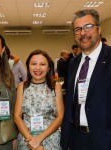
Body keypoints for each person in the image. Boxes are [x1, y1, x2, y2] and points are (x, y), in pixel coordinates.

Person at [61, 9, 111, 150]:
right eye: (77, 29)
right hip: (77, 139)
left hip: (105, 140)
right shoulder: (73, 63)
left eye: (88, 27)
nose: (83, 33)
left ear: (99, 29)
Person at [14, 49, 64, 150]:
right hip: (27, 140)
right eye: (34, 64)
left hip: (51, 140)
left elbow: (60, 117)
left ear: (49, 67)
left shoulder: (56, 86)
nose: (38, 68)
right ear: (28, 66)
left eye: (42, 64)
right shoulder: (21, 86)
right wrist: (31, 140)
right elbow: (17, 116)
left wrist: (39, 139)